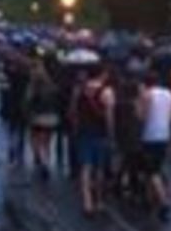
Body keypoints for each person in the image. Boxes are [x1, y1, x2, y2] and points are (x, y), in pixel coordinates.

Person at [70, 65, 115, 215]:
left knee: (86, 167)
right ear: (103, 74)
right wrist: (110, 133)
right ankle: (99, 201)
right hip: (100, 133)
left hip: (83, 132)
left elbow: (73, 112)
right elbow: (109, 116)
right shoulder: (106, 92)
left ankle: (87, 202)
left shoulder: (79, 90)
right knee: (99, 168)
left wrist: (75, 128)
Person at [138, 72, 171, 220]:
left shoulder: (147, 95)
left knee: (152, 170)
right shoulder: (168, 94)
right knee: (156, 166)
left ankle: (163, 201)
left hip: (149, 136)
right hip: (164, 134)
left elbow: (143, 116)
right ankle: (149, 199)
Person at [27, 61, 59, 179]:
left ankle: (41, 161)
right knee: (47, 142)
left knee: (36, 140)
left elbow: (28, 102)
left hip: (38, 117)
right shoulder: (52, 86)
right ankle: (46, 162)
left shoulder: (33, 87)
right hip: (52, 117)